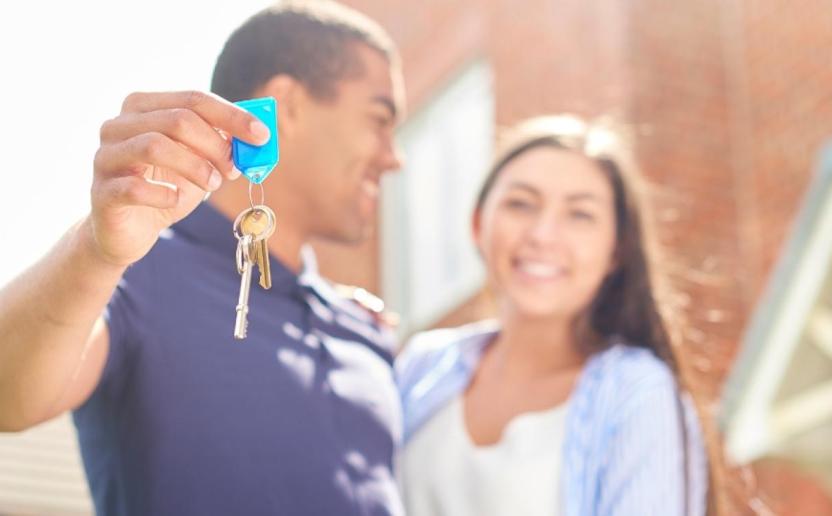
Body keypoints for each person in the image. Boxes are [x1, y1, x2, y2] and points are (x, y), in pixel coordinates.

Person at [0, 2, 407, 515]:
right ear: (288, 105)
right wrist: (96, 252)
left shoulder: (365, 327)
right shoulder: (129, 272)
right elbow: (8, 395)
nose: (395, 155)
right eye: (379, 120)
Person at [397, 115, 712, 516]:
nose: (543, 234)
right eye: (520, 204)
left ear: (616, 248)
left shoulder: (636, 392)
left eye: (580, 215)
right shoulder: (421, 367)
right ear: (478, 224)